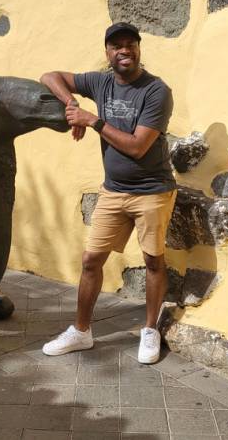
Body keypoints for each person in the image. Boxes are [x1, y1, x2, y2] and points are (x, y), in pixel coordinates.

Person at [40, 22, 176, 364]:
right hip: (113, 191)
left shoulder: (156, 91)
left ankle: (150, 329)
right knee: (91, 261)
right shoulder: (100, 82)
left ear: (139, 49)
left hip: (152, 192)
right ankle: (81, 332)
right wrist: (71, 105)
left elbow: (138, 147)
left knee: (153, 261)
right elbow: (49, 76)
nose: (124, 50)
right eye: (117, 46)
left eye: (130, 44)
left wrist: (92, 121)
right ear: (108, 52)